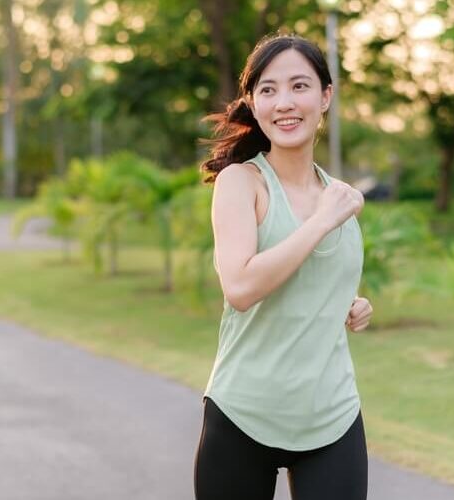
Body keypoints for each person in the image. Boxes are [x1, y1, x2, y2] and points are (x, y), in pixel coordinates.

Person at [193, 33, 373, 500]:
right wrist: (321, 221)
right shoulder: (241, 183)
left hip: (331, 416)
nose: (284, 102)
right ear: (252, 104)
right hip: (244, 414)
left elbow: (315, 279)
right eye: (268, 90)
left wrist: (350, 303)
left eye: (299, 86)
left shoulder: (338, 195)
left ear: (325, 96)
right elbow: (242, 286)